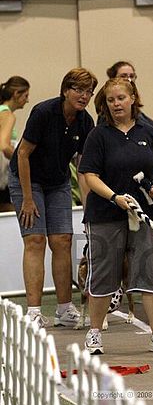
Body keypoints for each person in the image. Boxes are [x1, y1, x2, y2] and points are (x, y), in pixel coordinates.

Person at [79, 77, 153, 354]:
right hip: (106, 214)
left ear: (133, 98)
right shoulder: (99, 135)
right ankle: (95, 332)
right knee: (103, 273)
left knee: (150, 271)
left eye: (121, 98)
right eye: (110, 100)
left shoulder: (148, 132)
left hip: (145, 214)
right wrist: (114, 197)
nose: (116, 104)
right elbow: (89, 175)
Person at [8, 67, 98, 328]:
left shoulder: (85, 121)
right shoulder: (44, 112)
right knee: (35, 240)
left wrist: (88, 205)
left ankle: (64, 308)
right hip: (26, 179)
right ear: (66, 91)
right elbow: (23, 154)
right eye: (78, 90)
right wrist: (27, 198)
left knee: (62, 240)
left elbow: (83, 167)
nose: (84, 96)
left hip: (57, 181)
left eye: (89, 92)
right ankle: (34, 311)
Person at [104, 60, 153, 182]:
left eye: (131, 76)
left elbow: (151, 149)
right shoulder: (107, 119)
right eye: (123, 76)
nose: (128, 79)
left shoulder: (145, 122)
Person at [0, 76, 30, 212]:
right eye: (26, 95)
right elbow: (4, 146)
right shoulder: (7, 115)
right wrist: (21, 159)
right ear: (16, 94)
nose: (27, 100)